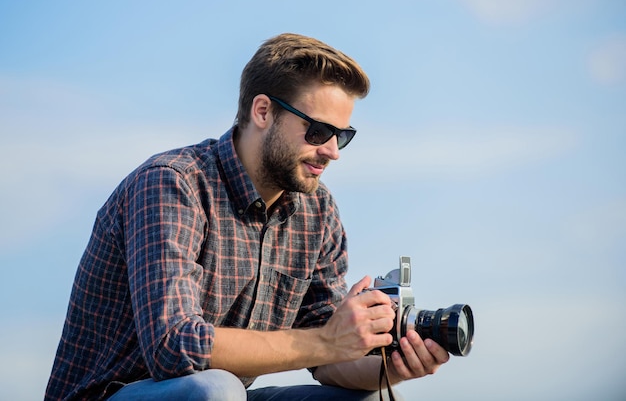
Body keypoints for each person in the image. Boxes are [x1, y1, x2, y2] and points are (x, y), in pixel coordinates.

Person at [45, 33, 449, 401]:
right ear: (262, 111)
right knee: (215, 388)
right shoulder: (172, 185)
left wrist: (389, 365)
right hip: (110, 395)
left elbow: (326, 357)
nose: (333, 151)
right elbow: (175, 347)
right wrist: (327, 340)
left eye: (342, 136)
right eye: (318, 131)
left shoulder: (318, 210)